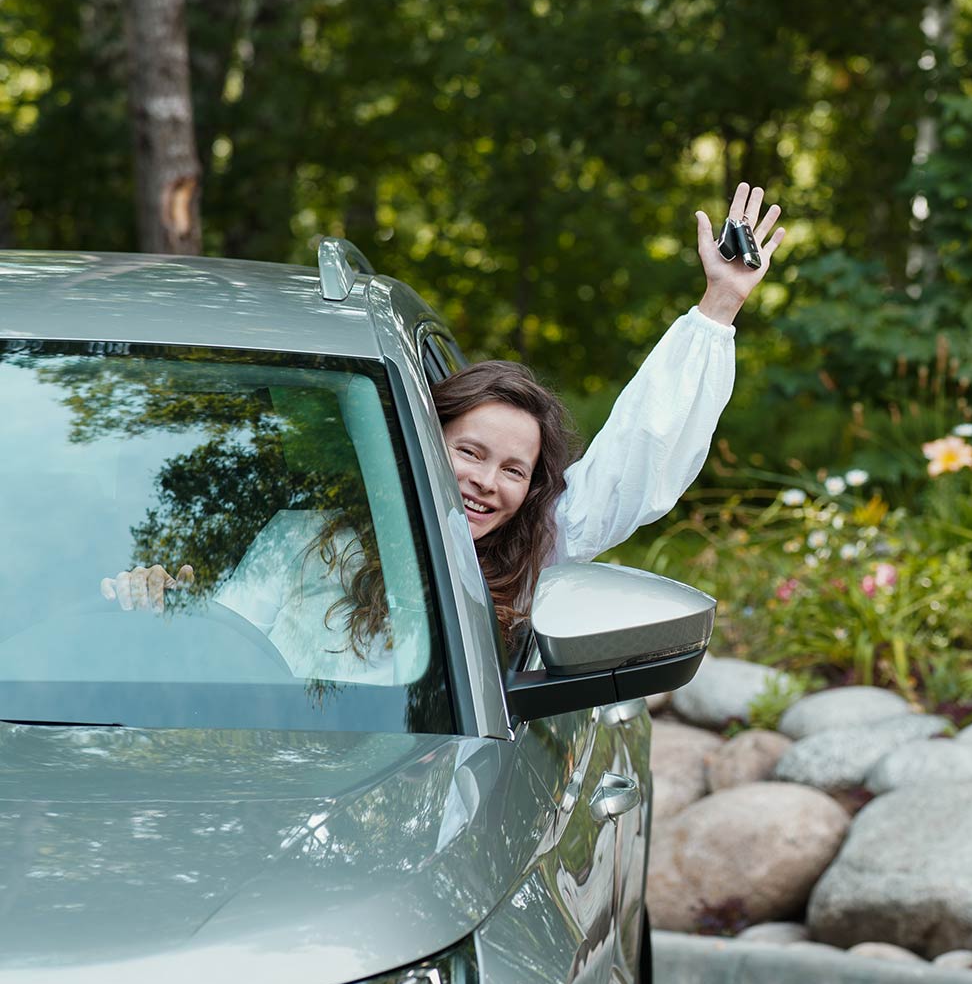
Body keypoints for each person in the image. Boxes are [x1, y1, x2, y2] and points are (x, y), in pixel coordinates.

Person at [101, 182, 787, 674]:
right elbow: (222, 656)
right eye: (470, 452)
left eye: (514, 470)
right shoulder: (303, 538)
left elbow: (639, 455)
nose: (487, 482)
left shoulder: (534, 557)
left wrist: (718, 306)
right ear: (426, 443)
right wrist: (165, 611)